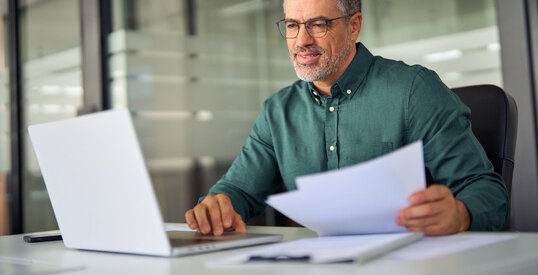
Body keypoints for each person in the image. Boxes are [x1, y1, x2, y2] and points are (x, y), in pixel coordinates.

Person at [185, 0, 508, 236]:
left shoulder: (413, 91)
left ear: (353, 25)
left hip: (411, 262)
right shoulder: (277, 111)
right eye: (293, 25)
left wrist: (461, 213)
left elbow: (485, 188)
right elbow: (239, 191)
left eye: (318, 24)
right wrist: (219, 205)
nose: (302, 41)